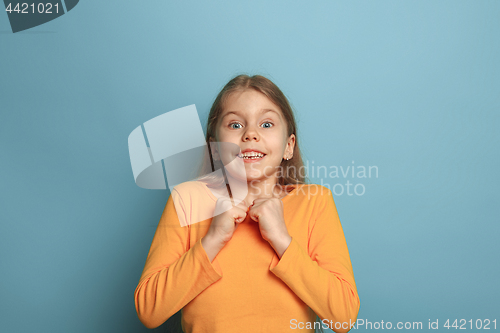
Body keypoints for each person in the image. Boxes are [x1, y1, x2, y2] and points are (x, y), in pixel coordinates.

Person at [134, 74, 360, 333]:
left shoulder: (315, 202)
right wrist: (213, 239)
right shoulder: (186, 201)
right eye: (235, 125)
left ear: (289, 146)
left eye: (266, 124)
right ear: (215, 149)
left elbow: (344, 316)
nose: (251, 134)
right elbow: (149, 311)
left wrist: (281, 240)